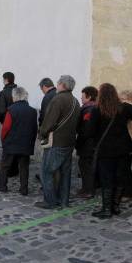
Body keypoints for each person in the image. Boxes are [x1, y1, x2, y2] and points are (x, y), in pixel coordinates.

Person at [90, 83, 132, 219]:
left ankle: (107, 209)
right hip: (123, 150)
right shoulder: (123, 108)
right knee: (119, 178)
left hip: (106, 151)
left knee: (107, 179)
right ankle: (115, 206)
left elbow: (90, 131)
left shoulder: (97, 110)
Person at [36, 75, 80, 210]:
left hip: (56, 141)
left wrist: (41, 133)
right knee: (65, 173)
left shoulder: (58, 99)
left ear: (62, 84)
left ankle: (50, 201)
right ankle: (64, 200)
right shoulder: (75, 101)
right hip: (69, 141)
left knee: (47, 172)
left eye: (58, 82)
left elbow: (49, 121)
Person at [0, 86, 38, 195]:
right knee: (24, 167)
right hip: (26, 143)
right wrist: (31, 141)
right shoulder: (32, 111)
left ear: (15, 97)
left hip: (11, 142)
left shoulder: (11, 110)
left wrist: (3, 139)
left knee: (5, 165)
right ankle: (24, 189)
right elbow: (34, 128)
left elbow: (5, 128)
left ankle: (3, 186)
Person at [75, 86, 99, 198]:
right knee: (85, 165)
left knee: (86, 166)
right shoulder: (94, 107)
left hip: (88, 144)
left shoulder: (89, 109)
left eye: (83, 96)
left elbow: (86, 129)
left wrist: (78, 140)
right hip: (91, 143)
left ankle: (89, 190)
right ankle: (86, 188)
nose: (81, 98)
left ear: (89, 96)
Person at [118, 89, 132, 200]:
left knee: (125, 168)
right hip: (128, 142)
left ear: (129, 99)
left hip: (130, 141)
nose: (121, 101)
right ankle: (127, 190)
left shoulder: (130, 109)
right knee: (124, 168)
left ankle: (129, 192)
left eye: (123, 99)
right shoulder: (129, 109)